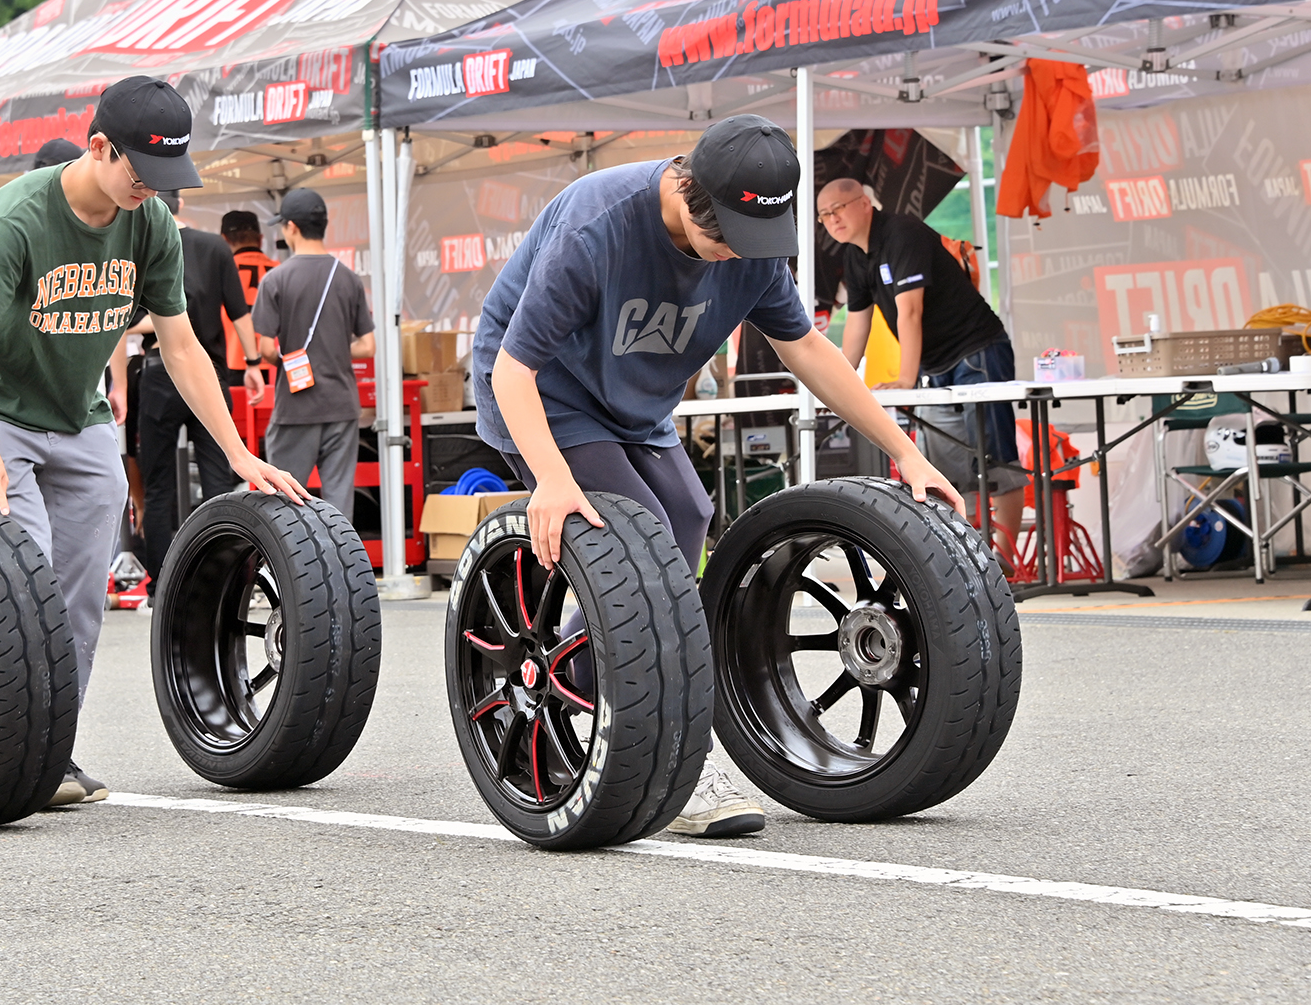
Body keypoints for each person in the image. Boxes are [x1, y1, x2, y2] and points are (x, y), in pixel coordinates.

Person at [473, 115, 961, 839]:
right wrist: (548, 476)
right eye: (722, 241)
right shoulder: (597, 224)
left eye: (749, 244)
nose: (735, 258)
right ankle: (668, 745)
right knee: (641, 538)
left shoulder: (752, 251)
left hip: (636, 405)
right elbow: (514, 367)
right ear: (688, 193)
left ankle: (595, 665)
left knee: (690, 519)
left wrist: (906, 450)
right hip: (549, 396)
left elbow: (814, 353)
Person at [0, 75, 305, 808]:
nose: (152, 191)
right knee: (23, 573)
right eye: (142, 173)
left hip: (80, 415)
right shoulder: (16, 219)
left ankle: (50, 752)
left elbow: (185, 347)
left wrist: (237, 452)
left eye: (167, 178)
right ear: (99, 147)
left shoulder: (150, 225)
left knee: (79, 595)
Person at [821, 178, 1027, 538]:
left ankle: (1008, 554)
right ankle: (974, 551)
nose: (832, 219)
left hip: (976, 350)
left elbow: (910, 312)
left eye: (838, 208)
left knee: (995, 455)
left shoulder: (902, 233)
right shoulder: (854, 255)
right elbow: (857, 323)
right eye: (823, 215)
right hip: (934, 366)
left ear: (865, 203)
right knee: (948, 463)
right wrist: (839, 380)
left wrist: (904, 378)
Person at [132, 191, 267, 586]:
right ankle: (225, 581)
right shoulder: (214, 247)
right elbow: (240, 314)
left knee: (158, 486)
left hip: (159, 372)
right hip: (211, 372)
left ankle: (161, 585)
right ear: (180, 204)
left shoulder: (142, 246)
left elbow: (125, 321)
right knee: (219, 480)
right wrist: (254, 363)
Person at [251, 190, 374, 519]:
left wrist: (288, 359)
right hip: (342, 406)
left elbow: (264, 349)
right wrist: (334, 348)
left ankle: (291, 572)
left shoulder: (275, 280)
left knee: (284, 507)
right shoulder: (348, 278)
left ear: (291, 227)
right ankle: (341, 569)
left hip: (295, 408)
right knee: (338, 506)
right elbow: (368, 346)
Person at [220, 209, 278, 385]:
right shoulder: (281, 270)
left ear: (224, 239)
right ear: (260, 239)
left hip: (236, 362)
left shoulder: (221, 271)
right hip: (278, 363)